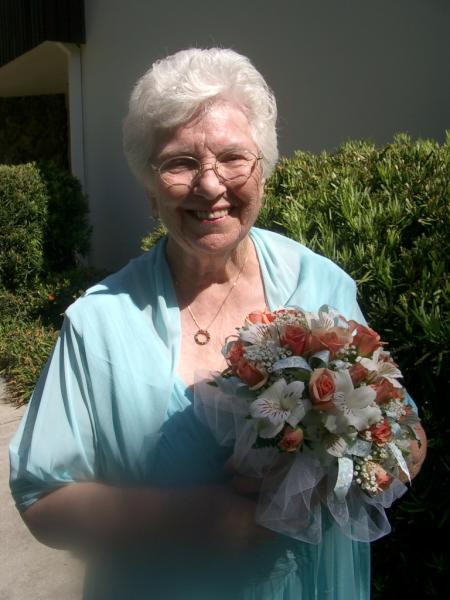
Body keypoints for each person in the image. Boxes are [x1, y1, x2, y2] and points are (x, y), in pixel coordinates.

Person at [9, 48, 426, 599]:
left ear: (263, 170)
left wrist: (364, 462)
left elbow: (406, 436)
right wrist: (192, 517)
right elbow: (43, 499)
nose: (210, 185)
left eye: (233, 157)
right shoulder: (100, 323)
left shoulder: (321, 287)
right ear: (149, 184)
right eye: (180, 163)